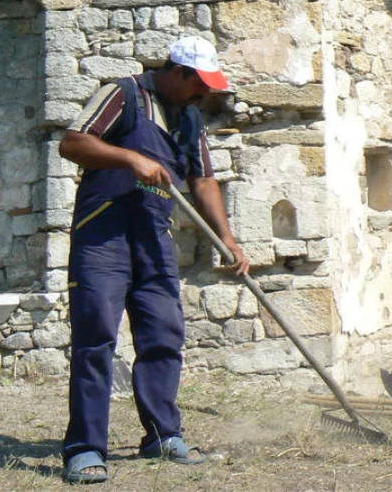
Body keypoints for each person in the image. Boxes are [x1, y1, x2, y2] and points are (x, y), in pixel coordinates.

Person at [59, 37, 250, 484]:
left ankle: (163, 435)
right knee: (97, 339)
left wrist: (228, 239)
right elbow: (71, 143)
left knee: (163, 334)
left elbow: (203, 181)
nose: (204, 93)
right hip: (103, 237)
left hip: (154, 240)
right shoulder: (122, 94)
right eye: (198, 84)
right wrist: (129, 159)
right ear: (178, 72)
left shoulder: (190, 117)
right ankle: (85, 449)